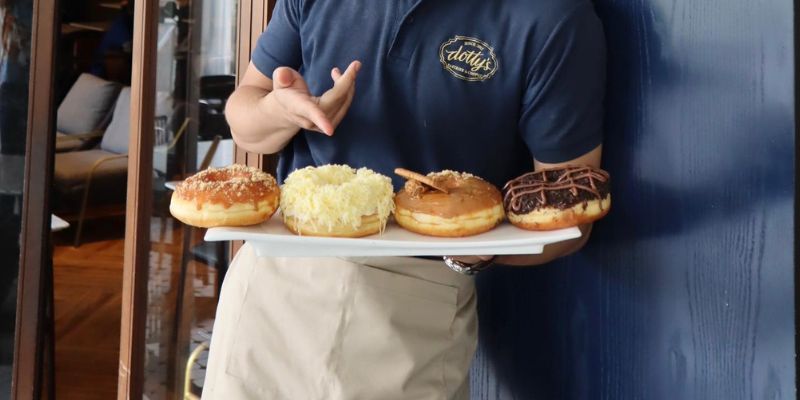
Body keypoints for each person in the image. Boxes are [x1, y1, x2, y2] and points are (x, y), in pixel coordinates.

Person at [203, 0, 605, 398]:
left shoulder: (555, 18)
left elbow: (571, 222)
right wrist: (281, 111)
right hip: (271, 290)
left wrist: (479, 251)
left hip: (416, 309)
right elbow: (245, 120)